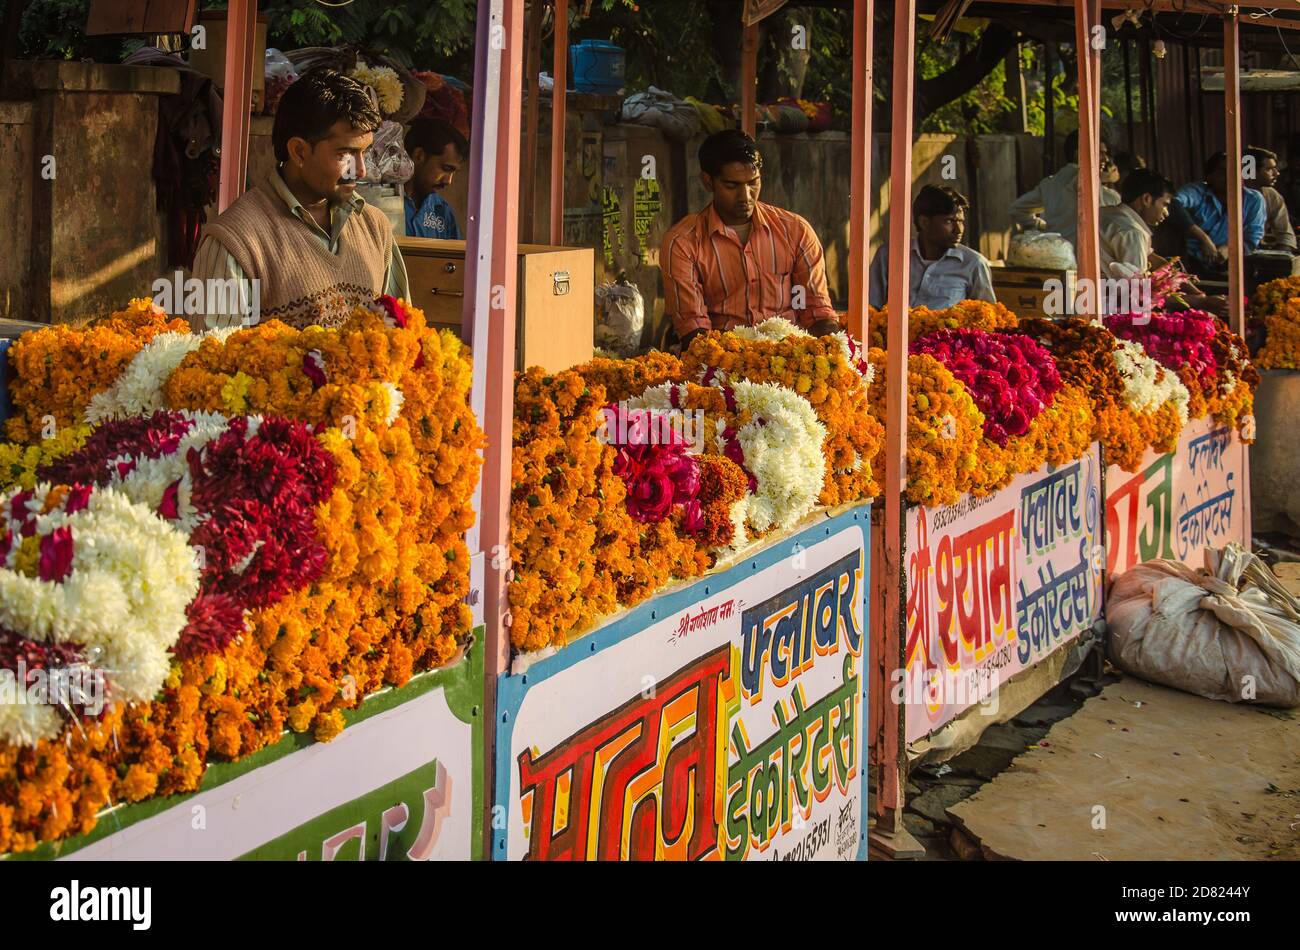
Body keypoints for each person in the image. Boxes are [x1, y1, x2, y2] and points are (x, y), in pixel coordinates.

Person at [193, 69, 408, 329]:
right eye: (346, 153)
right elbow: (215, 360)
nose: (361, 170)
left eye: (364, 152)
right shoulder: (235, 242)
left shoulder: (375, 228)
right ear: (299, 151)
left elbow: (400, 337)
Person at [661, 129, 840, 349]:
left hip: (792, 359)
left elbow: (816, 310)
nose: (746, 196)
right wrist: (740, 363)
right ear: (708, 182)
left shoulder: (796, 231)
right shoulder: (683, 242)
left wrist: (831, 351)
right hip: (721, 362)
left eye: (753, 183)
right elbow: (693, 328)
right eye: (732, 185)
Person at [868, 185, 996, 309]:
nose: (959, 230)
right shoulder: (889, 255)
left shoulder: (974, 264)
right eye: (949, 221)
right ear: (924, 222)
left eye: (961, 221)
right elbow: (871, 307)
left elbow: (985, 317)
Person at [1009, 129, 1121, 250]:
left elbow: (1017, 209)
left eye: (1105, 153)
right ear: (1079, 154)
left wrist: (1045, 227)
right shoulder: (1084, 180)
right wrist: (1105, 177)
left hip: (1057, 254)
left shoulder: (1049, 183)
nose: (1106, 159)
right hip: (1084, 258)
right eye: (1099, 153)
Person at [1174, 151, 1267, 275]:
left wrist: (1228, 249)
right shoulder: (1197, 191)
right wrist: (1203, 239)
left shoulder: (1253, 199)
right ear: (1209, 176)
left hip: (1233, 265)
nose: (1231, 176)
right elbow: (1172, 203)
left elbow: (1252, 237)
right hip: (1191, 264)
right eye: (1223, 171)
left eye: (1237, 170)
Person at [1099, 168, 1174, 275]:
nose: (1166, 213)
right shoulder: (1133, 233)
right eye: (1164, 205)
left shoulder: (1105, 213)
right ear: (1146, 199)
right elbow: (1136, 288)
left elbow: (1152, 258)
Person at [403, 117, 468, 240]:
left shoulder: (442, 212)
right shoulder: (384, 204)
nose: (448, 181)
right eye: (446, 168)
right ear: (419, 156)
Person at [1245, 145, 1296, 252]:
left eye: (1275, 168)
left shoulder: (1271, 195)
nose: (1276, 173)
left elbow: (1285, 235)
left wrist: (1279, 257)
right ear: (1250, 170)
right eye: (1269, 169)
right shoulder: (1229, 193)